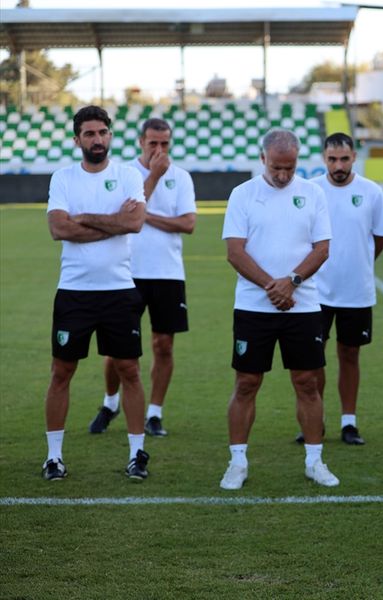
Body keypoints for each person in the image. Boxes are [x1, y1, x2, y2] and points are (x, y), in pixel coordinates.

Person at [219, 128, 338, 490]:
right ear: (262, 160)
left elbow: (321, 248)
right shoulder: (242, 195)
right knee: (246, 383)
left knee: (306, 383)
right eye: (276, 168)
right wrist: (273, 286)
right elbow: (235, 252)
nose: (283, 175)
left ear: (298, 161)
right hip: (254, 308)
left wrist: (292, 283)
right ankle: (237, 462)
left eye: (289, 167)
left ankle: (314, 461)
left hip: (303, 307)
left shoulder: (313, 193)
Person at [44, 105, 151, 481]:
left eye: (102, 132)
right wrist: (112, 223)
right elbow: (59, 229)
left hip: (119, 291)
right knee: (62, 371)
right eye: (89, 134)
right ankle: (54, 456)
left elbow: (135, 222)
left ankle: (137, 453)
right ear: (77, 140)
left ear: (110, 135)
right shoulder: (63, 178)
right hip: (74, 292)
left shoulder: (126, 176)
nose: (97, 139)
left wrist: (85, 217)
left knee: (130, 371)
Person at [90, 118, 197, 437]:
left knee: (163, 345)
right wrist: (153, 178)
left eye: (164, 144)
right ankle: (110, 403)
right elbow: (123, 217)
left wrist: (144, 217)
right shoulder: (124, 174)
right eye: (153, 143)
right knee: (117, 348)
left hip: (168, 273)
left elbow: (188, 224)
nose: (159, 149)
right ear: (140, 142)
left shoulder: (182, 177)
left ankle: (154, 413)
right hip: (125, 272)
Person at [306, 133, 383, 445]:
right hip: (315, 292)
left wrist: (360, 263)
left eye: (344, 159)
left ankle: (349, 422)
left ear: (354, 157)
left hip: (356, 291)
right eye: (332, 159)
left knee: (350, 355)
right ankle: (315, 420)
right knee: (314, 359)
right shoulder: (312, 190)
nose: (338, 165)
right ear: (324, 158)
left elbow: (379, 238)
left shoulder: (371, 192)